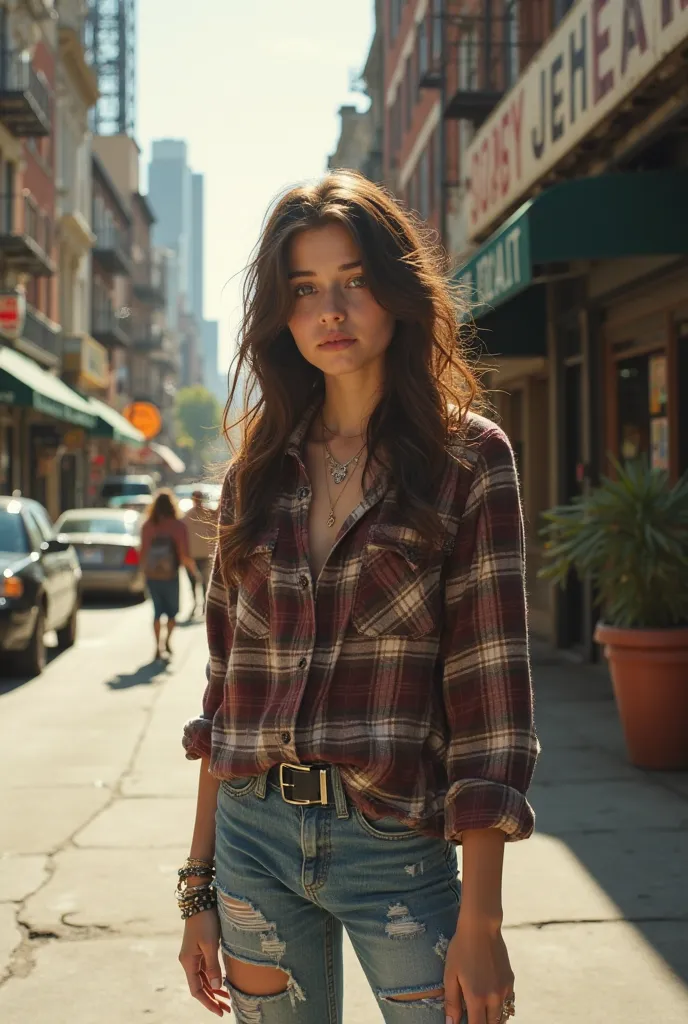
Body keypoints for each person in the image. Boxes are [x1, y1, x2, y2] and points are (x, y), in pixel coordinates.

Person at [178, 171, 539, 1024]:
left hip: (396, 845)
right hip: (252, 838)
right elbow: (226, 696)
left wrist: (481, 918)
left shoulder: (467, 461)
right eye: (304, 289)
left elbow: (492, 706)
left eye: (353, 280)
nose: (329, 311)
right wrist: (198, 886)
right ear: (282, 313)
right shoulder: (254, 478)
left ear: (397, 288)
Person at [140, 489, 196, 660]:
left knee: (157, 612)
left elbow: (143, 552)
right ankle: (167, 642)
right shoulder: (178, 526)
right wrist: (193, 571)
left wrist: (144, 573)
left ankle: (157, 645)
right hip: (171, 575)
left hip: (152, 576)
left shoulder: (148, 526)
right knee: (172, 613)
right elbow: (184, 554)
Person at [183, 489, 216, 616]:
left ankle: (204, 605)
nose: (197, 501)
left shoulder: (209, 514)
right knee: (192, 582)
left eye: (199, 498)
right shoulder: (187, 516)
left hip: (205, 554)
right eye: (195, 498)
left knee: (204, 581)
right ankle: (195, 604)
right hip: (191, 556)